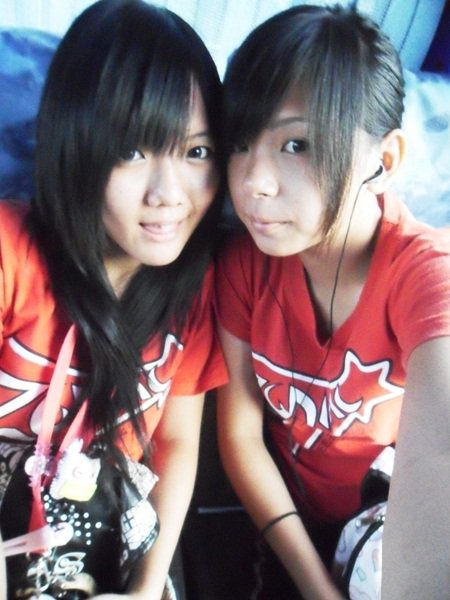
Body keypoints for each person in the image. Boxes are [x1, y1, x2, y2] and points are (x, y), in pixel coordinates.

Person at [215, 4, 450, 599]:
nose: (253, 182)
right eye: (240, 143)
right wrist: (317, 588)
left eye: (297, 144)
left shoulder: (424, 273)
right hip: (286, 525)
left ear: (384, 161)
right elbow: (241, 436)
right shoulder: (244, 266)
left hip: (387, 530)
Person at [0, 0, 226, 598]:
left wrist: (145, 589)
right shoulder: (9, 255)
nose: (169, 194)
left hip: (109, 538)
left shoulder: (196, 286)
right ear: (76, 145)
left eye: (196, 152)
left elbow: (175, 442)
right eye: (132, 151)